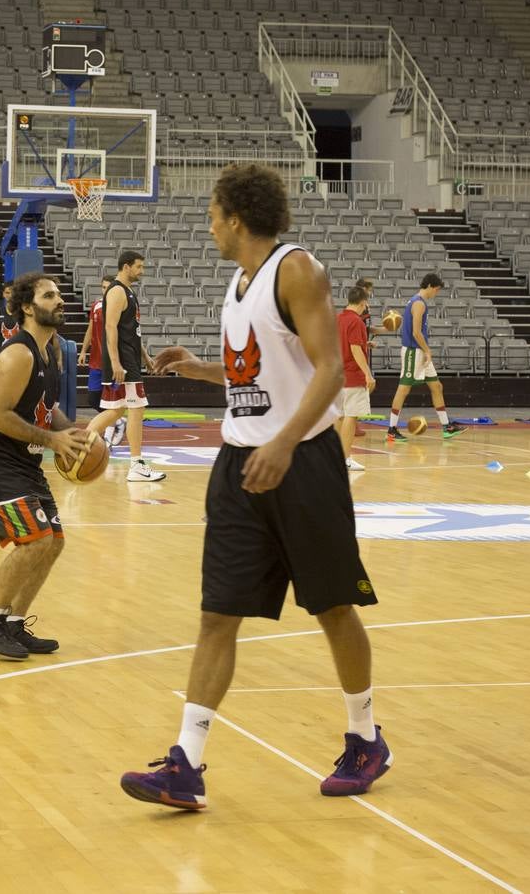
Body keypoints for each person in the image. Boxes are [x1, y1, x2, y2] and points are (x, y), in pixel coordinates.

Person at [120, 163, 387, 810]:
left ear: (235, 217)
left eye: (212, 214)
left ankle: (364, 737)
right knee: (218, 613)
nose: (208, 226)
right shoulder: (237, 282)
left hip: (302, 463)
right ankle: (185, 762)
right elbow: (256, 376)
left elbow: (327, 372)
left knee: (330, 607)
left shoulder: (296, 270)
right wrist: (197, 369)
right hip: (240, 466)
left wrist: (284, 441)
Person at [0, 272, 91, 660]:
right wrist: (53, 441)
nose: (59, 300)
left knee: (53, 543)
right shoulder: (19, 353)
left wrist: (74, 434)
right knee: (34, 540)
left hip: (22, 459)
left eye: (59, 294)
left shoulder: (51, 351)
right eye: (49, 296)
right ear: (27, 308)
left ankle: (15, 623)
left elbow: (45, 408)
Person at [84, 251, 165, 482]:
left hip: (129, 358)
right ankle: (136, 464)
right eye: (139, 267)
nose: (142, 271)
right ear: (126, 266)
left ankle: (81, 445)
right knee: (136, 409)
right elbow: (110, 328)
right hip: (122, 362)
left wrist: (147, 358)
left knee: (117, 411)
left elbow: (130, 332)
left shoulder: (127, 291)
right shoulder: (118, 291)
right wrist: (116, 361)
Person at [386, 273, 466, 442]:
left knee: (436, 386)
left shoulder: (417, 301)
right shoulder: (418, 303)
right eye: (436, 290)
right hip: (413, 352)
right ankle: (391, 430)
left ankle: (447, 427)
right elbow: (416, 332)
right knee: (404, 388)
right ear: (430, 286)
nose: (435, 293)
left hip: (419, 352)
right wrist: (427, 350)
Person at [78, 273, 126, 446]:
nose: (106, 291)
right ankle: (118, 421)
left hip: (113, 362)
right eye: (103, 287)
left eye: (109, 288)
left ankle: (107, 438)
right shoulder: (96, 306)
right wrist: (83, 350)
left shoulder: (119, 306)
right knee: (92, 399)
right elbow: (90, 330)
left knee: (111, 402)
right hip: (96, 361)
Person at [335, 284, 375, 471]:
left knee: (338, 417)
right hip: (352, 376)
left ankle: (334, 458)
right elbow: (355, 349)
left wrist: (365, 343)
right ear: (363, 302)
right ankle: (345, 459)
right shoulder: (357, 321)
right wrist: (368, 373)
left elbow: (343, 343)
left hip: (336, 377)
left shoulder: (337, 318)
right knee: (351, 417)